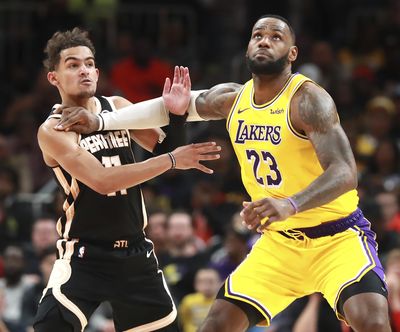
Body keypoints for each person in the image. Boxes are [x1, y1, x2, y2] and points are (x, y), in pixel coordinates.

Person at [54, 15, 391, 332]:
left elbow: (345, 172)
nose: (263, 41)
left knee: (372, 322)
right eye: (257, 35)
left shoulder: (308, 100)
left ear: (292, 53)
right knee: (216, 324)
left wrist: (289, 204)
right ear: (247, 47)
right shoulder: (232, 98)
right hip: (280, 244)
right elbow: (171, 104)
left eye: (275, 37)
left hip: (336, 238)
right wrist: (101, 121)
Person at [34, 27, 221, 332]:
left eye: (89, 63)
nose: (84, 70)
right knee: (49, 326)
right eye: (73, 64)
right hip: (84, 255)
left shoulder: (117, 107)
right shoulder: (53, 130)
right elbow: (103, 180)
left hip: (135, 253)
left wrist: (176, 116)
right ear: (53, 77)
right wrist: (172, 159)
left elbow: (165, 150)